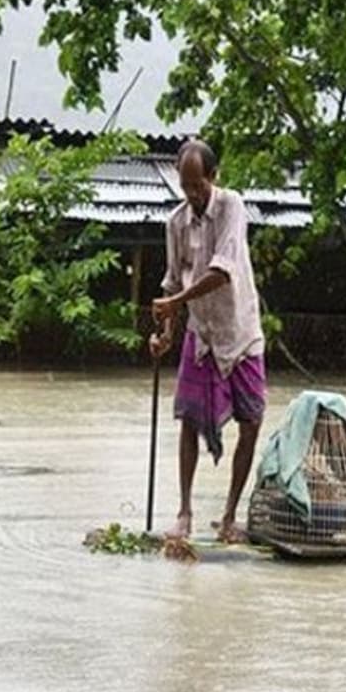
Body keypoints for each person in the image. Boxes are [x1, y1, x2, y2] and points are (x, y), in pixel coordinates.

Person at [149, 139, 266, 543]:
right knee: (188, 421)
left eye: (197, 186)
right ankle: (184, 513)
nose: (192, 195)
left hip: (239, 331)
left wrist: (175, 301)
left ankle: (230, 516)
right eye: (185, 187)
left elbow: (222, 271)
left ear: (212, 178)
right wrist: (165, 332)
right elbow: (171, 279)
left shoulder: (231, 206)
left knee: (251, 422)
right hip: (202, 334)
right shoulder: (175, 223)